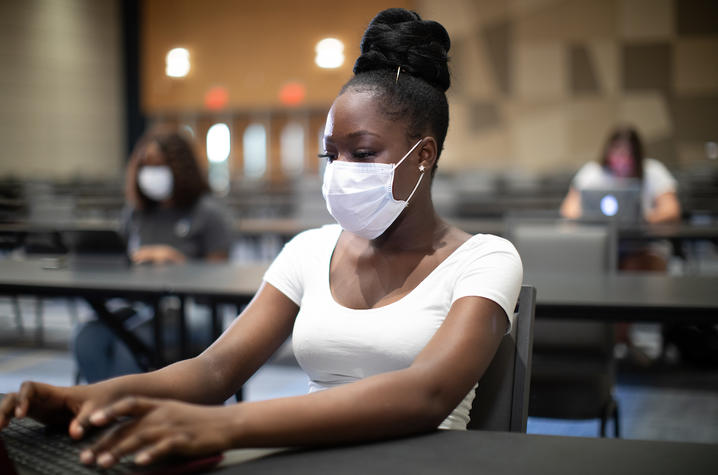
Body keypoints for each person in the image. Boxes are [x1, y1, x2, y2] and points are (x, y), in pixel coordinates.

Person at [0, 8, 522, 470]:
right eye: (330, 154)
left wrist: (227, 425)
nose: (340, 170)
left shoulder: (484, 259)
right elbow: (215, 369)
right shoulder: (310, 250)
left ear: (424, 155)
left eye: (361, 153)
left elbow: (426, 393)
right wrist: (77, 398)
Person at [73, 126, 233, 383]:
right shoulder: (135, 213)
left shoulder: (208, 213)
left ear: (181, 169)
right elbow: (122, 261)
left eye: (160, 166)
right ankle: (107, 412)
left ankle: (130, 414)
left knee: (131, 346)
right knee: (87, 338)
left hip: (193, 311)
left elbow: (222, 282)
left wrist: (175, 260)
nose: (151, 173)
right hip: (140, 306)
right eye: (146, 165)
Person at [560, 125, 681, 270]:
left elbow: (671, 209)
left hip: (643, 245)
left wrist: (642, 219)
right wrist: (593, 221)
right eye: (616, 151)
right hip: (599, 245)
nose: (622, 158)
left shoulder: (653, 171)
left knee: (637, 265)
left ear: (637, 154)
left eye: (627, 153)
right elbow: (568, 210)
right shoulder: (592, 172)